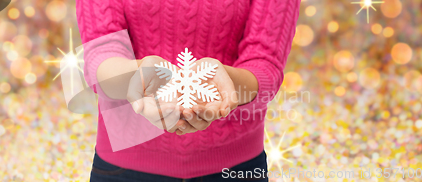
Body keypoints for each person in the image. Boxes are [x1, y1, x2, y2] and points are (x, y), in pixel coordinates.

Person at [76, 0, 300, 181]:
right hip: (122, 168)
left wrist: (225, 83)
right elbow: (100, 55)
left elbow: (266, 64)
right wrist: (137, 76)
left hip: (236, 167)